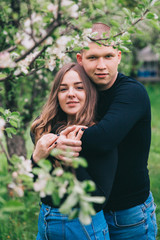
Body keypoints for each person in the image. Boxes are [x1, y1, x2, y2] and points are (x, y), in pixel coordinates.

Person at [55, 23, 158, 240]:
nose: (101, 65)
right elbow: (44, 120)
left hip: (127, 213)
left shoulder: (131, 92)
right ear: (80, 59)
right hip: (88, 212)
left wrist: (55, 140)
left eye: (108, 56)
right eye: (93, 57)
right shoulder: (79, 90)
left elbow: (103, 139)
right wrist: (51, 135)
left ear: (119, 56)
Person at [30, 62, 117, 240]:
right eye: (63, 89)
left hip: (83, 227)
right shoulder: (46, 130)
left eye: (79, 87)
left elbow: (97, 202)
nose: (71, 94)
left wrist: (72, 164)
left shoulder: (98, 136)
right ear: (56, 95)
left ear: (90, 93)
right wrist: (36, 158)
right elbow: (34, 186)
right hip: (46, 222)